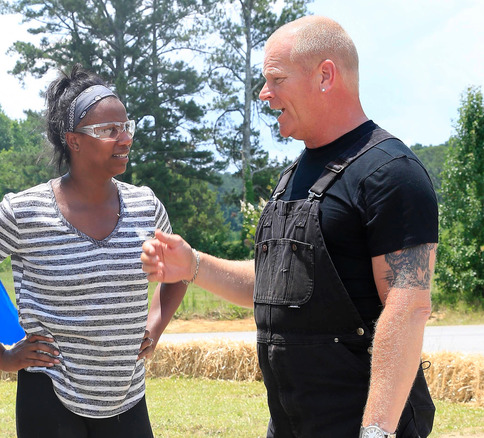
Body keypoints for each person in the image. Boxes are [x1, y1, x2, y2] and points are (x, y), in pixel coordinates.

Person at [141, 16, 437, 438]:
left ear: (325, 75)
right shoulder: (293, 177)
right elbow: (273, 283)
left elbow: (408, 309)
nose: (265, 94)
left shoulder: (391, 174)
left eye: (276, 79)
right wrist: (193, 264)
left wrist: (376, 431)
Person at [0, 64, 187, 438]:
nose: (125, 139)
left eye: (126, 127)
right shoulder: (25, 211)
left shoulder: (146, 206)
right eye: (108, 131)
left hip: (128, 397)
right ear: (73, 140)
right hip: (49, 399)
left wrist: (154, 326)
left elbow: (180, 272)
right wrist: (0, 355)